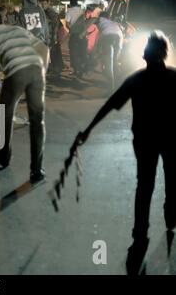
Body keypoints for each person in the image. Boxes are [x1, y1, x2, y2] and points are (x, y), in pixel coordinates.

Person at [76, 31, 176, 275]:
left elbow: (110, 104)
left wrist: (88, 130)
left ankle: (140, 233)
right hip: (171, 138)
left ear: (145, 55)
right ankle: (171, 213)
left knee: (144, 186)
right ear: (165, 53)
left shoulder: (137, 80)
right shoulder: (174, 78)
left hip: (144, 139)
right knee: (173, 180)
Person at [0, 11, 49, 184]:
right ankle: (37, 170)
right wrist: (42, 72)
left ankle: (3, 155)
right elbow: (44, 48)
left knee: (5, 113)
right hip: (36, 69)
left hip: (15, 72)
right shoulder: (18, 30)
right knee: (37, 120)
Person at [96, 11, 124, 88]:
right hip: (119, 36)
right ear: (108, 17)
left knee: (108, 62)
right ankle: (120, 81)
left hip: (107, 36)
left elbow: (99, 38)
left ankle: (111, 85)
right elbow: (121, 28)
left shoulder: (100, 19)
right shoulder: (112, 22)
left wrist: (98, 50)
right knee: (115, 61)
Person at [40, 0, 63, 75]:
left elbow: (56, 24)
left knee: (53, 53)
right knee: (52, 53)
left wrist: (54, 36)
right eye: (42, 4)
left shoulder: (51, 12)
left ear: (48, 4)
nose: (43, 5)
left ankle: (56, 70)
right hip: (49, 35)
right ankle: (55, 69)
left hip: (52, 35)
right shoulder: (45, 11)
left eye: (45, 4)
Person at [65, 0, 84, 76]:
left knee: (73, 52)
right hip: (82, 34)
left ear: (71, 3)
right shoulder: (81, 11)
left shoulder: (70, 11)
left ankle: (76, 70)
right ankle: (81, 69)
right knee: (80, 51)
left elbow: (67, 23)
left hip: (74, 34)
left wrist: (71, 30)